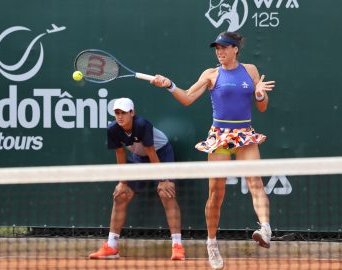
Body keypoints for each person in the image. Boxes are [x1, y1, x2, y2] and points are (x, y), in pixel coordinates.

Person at [150, 32, 275, 270]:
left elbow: (262, 106)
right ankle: (211, 243)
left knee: (256, 182)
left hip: (244, 133)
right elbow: (187, 98)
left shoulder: (250, 71)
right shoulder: (211, 74)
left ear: (235, 49)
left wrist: (260, 94)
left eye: (225, 48)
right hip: (219, 136)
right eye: (217, 48)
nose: (220, 52)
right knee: (216, 194)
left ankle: (266, 229)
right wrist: (169, 85)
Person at [88, 97, 185, 261]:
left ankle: (177, 246)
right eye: (117, 113)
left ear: (132, 113)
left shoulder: (142, 125)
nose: (120, 116)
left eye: (124, 113)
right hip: (138, 157)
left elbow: (151, 152)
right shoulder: (112, 129)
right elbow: (120, 155)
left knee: (166, 193)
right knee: (121, 196)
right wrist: (122, 182)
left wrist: (163, 179)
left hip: (160, 153)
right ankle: (112, 246)